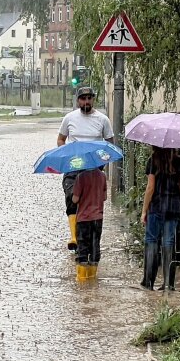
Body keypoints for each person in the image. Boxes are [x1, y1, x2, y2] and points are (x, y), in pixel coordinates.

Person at [56, 87, 114, 250]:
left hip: (94, 168)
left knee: (92, 204)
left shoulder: (103, 120)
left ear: (93, 99)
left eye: (89, 98)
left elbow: (110, 143)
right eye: (83, 98)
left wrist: (101, 162)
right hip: (73, 165)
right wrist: (67, 154)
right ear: (78, 101)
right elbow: (61, 139)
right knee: (71, 197)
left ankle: (92, 240)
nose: (86, 101)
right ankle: (74, 237)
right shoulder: (69, 118)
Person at [140, 147, 180, 291]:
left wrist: (144, 211)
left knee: (151, 242)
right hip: (173, 209)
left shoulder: (153, 160)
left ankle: (148, 282)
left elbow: (150, 188)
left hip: (155, 207)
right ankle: (168, 283)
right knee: (169, 243)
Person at [71, 165, 108, 281]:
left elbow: (75, 199)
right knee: (94, 247)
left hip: (83, 219)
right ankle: (92, 281)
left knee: (82, 249)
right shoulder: (102, 176)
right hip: (98, 218)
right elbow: (104, 197)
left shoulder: (80, 177)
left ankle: (82, 283)